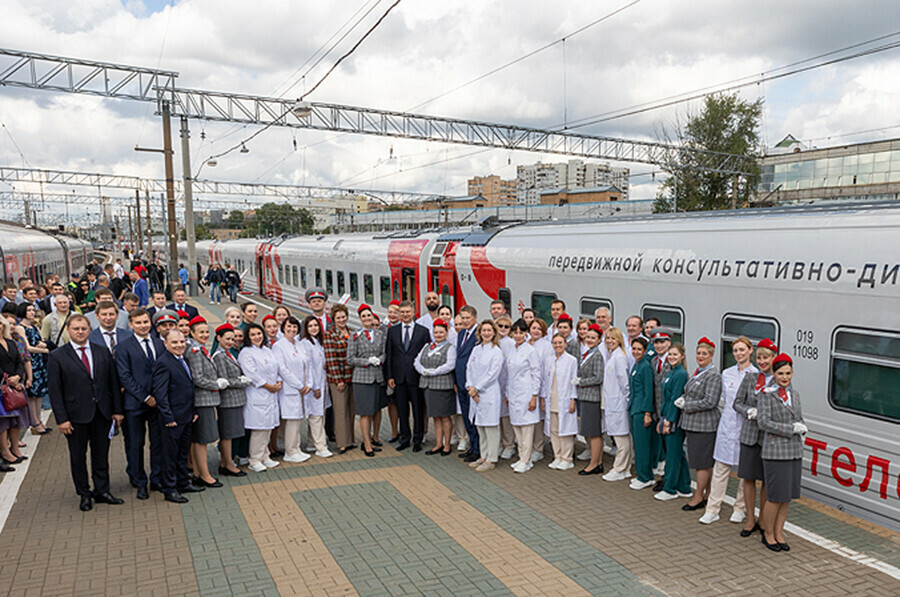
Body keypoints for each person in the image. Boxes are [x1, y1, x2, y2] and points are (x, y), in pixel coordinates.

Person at [47, 314, 124, 511]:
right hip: (75, 416)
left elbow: (112, 382)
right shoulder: (57, 356)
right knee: (78, 456)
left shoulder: (102, 351)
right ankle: (84, 493)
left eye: (83, 328)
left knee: (101, 454)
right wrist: (61, 419)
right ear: (68, 330)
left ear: (90, 329)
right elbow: (55, 391)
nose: (80, 332)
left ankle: (102, 491)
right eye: (76, 329)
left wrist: (117, 410)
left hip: (102, 413)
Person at [700, 336, 756, 525]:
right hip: (727, 426)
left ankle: (739, 508)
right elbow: (724, 399)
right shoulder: (727, 373)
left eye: (742, 350)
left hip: (745, 427)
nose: (739, 354)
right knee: (720, 469)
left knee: (744, 472)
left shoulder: (756, 374)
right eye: (735, 350)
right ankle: (713, 509)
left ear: (750, 351)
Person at [115, 308, 166, 499]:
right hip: (134, 404)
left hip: (158, 404)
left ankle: (157, 478)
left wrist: (158, 396)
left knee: (158, 443)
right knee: (135, 444)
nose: (143, 326)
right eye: (138, 323)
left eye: (145, 322)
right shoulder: (123, 347)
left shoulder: (160, 344)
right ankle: (139, 481)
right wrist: (145, 397)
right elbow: (125, 377)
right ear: (131, 325)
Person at [758, 353, 806, 552]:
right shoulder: (766, 394)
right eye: (780, 373)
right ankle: (768, 534)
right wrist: (790, 429)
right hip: (776, 451)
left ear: (792, 373)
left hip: (794, 450)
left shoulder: (794, 395)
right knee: (775, 496)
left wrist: (801, 426)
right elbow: (763, 422)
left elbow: (799, 417)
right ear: (774, 374)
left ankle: (779, 532)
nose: (784, 377)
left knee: (787, 496)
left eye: (788, 373)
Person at [152, 329, 206, 503]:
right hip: (172, 419)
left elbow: (188, 390)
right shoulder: (163, 363)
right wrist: (168, 417)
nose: (179, 345)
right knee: (170, 455)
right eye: (174, 342)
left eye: (182, 342)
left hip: (186, 416)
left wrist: (193, 411)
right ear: (165, 344)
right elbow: (160, 394)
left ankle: (183, 482)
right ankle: (170, 489)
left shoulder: (184, 359)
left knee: (182, 453)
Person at [733, 338, 778, 538]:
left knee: (767, 481)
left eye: (765, 357)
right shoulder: (750, 378)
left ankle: (764, 520)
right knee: (749, 479)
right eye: (759, 357)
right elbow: (736, 403)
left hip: (770, 437)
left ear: (773, 358)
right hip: (751, 435)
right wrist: (748, 410)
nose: (762, 361)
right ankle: (750, 519)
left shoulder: (780, 380)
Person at [675, 337, 722, 511]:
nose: (700, 356)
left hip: (704, 425)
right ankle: (707, 494)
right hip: (695, 424)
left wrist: (687, 404)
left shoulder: (713, 375)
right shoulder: (699, 372)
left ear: (711, 355)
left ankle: (698, 496)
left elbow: (710, 401)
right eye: (698, 353)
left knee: (701, 463)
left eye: (704, 353)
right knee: (703, 462)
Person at [185, 317, 225, 488]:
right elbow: (197, 378)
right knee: (202, 439)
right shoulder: (194, 351)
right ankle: (204, 475)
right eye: (200, 332)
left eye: (207, 332)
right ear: (192, 333)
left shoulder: (200, 349)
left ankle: (197, 472)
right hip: (202, 400)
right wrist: (216, 384)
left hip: (205, 400)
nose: (205, 335)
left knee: (198, 439)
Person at [385, 301, 431, 451]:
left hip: (416, 377)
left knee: (418, 409)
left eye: (407, 312)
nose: (405, 314)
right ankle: (405, 438)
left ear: (413, 313)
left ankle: (418, 439)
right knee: (402, 410)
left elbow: (426, 354)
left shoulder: (423, 331)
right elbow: (389, 355)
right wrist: (389, 376)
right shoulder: (392, 331)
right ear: (399, 314)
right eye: (402, 312)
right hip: (398, 377)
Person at [239, 323, 282, 472]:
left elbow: (276, 368)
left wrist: (278, 381)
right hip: (258, 394)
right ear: (248, 337)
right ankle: (254, 459)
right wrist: (267, 385)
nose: (257, 337)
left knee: (268, 426)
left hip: (271, 393)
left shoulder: (267, 350)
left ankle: (265, 455)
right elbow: (251, 373)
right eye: (253, 335)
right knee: (259, 429)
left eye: (259, 334)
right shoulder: (246, 352)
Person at [211, 324, 251, 477]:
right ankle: (228, 464)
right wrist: (241, 381)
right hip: (229, 400)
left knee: (232, 433)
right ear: (218, 338)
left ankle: (225, 463)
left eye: (232, 339)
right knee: (228, 434)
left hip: (235, 399)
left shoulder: (228, 353)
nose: (231, 341)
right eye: (227, 338)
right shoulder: (220, 356)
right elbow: (224, 379)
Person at [272, 316, 313, 464]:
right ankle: (290, 451)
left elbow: (307, 364)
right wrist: (299, 385)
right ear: (283, 328)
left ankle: (296, 448)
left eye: (295, 327)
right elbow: (282, 369)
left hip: (303, 389)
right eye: (289, 327)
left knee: (298, 419)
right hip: (291, 389)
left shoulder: (300, 344)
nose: (292, 329)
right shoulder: (278, 346)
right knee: (292, 420)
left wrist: (308, 383)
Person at [465, 319, 504, 472]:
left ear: (494, 332)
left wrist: (477, 389)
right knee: (480, 426)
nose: (486, 333)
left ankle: (491, 459)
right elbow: (469, 368)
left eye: (489, 330)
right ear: (480, 332)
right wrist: (470, 387)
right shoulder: (476, 349)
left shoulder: (496, 351)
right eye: (484, 330)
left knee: (491, 428)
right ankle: (483, 455)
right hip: (475, 394)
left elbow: (492, 374)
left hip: (488, 394)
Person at [347, 305, 386, 457]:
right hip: (362, 378)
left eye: (369, 315)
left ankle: (373, 438)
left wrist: (380, 360)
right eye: (364, 316)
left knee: (376, 410)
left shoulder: (380, 334)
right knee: (365, 412)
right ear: (360, 318)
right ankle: (367, 443)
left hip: (378, 377)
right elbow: (350, 359)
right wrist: (367, 361)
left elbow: (384, 352)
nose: (367, 318)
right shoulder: (355, 336)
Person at [654, 343, 692, 500]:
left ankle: (670, 489)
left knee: (672, 456)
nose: (672, 357)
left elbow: (675, 399)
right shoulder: (671, 372)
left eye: (675, 355)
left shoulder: (680, 374)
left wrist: (669, 421)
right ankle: (684, 487)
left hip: (673, 419)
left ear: (682, 356)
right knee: (678, 454)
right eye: (670, 355)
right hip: (666, 416)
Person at [414, 318, 457, 456]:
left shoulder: (450, 348)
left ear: (446, 332)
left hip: (442, 385)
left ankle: (446, 444)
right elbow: (417, 361)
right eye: (436, 332)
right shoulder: (427, 346)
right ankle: (438, 443)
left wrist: (434, 371)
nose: (438, 334)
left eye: (441, 332)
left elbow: (450, 365)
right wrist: (422, 370)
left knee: (444, 416)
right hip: (428, 385)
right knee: (435, 417)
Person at [504, 319, 542, 473]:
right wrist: (507, 393)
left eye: (521, 332)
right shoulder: (512, 349)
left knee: (526, 428)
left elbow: (536, 374)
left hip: (526, 393)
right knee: (517, 427)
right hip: (513, 393)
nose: (518, 335)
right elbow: (508, 374)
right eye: (516, 332)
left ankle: (526, 460)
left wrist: (534, 396)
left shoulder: (530, 351)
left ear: (526, 333)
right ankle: (521, 457)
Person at [542, 332, 578, 470]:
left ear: (565, 344)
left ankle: (567, 458)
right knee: (554, 429)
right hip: (552, 399)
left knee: (566, 431)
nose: (557, 345)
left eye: (560, 343)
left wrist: (573, 400)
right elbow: (545, 381)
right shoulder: (549, 360)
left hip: (565, 399)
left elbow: (574, 381)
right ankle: (557, 456)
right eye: (555, 343)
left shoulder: (571, 360)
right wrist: (544, 398)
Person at [601, 327, 632, 482]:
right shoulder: (613, 355)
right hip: (614, 403)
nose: (610, 341)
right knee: (620, 436)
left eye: (613, 338)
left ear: (619, 340)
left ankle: (619, 468)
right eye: (608, 338)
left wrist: (625, 402)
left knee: (621, 439)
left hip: (619, 404)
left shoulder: (619, 357)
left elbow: (624, 382)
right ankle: (625, 469)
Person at [14, 303, 51, 435]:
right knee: (32, 394)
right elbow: (27, 347)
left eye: (32, 310)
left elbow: (41, 341)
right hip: (31, 362)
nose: (31, 312)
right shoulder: (20, 328)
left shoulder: (34, 326)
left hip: (39, 362)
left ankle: (39, 420)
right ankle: (34, 422)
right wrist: (45, 350)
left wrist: (43, 346)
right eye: (28, 310)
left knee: (39, 394)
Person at [324, 304, 356, 454]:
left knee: (351, 409)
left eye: (344, 317)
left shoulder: (352, 332)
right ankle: (342, 443)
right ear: (333, 319)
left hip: (352, 377)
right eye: (338, 318)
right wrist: (338, 380)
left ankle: (350, 440)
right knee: (341, 411)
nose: (342, 320)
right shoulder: (330, 335)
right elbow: (331, 359)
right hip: (339, 379)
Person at [298, 316, 331, 457]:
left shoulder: (319, 342)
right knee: (315, 415)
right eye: (310, 326)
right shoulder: (305, 343)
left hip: (323, 383)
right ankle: (321, 447)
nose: (313, 328)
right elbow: (309, 367)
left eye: (316, 325)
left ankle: (312, 443)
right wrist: (315, 386)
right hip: (314, 385)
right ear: (305, 328)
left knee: (319, 414)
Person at [575, 324, 605, 476]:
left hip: (592, 398)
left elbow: (598, 377)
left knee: (593, 432)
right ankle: (597, 462)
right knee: (591, 432)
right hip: (586, 396)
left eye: (593, 338)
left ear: (599, 340)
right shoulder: (588, 353)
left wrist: (580, 381)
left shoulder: (597, 355)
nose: (590, 340)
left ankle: (594, 464)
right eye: (588, 337)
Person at [628, 337, 656, 490]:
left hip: (641, 410)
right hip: (634, 408)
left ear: (645, 351)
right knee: (638, 444)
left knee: (642, 445)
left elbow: (648, 391)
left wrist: (647, 413)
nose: (636, 352)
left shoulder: (645, 366)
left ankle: (645, 477)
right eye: (634, 349)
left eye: (639, 349)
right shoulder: (636, 365)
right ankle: (644, 475)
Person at [454, 306, 480, 462]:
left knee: (474, 418)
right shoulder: (461, 333)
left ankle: (478, 449)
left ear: (475, 318)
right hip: (461, 382)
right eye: (462, 318)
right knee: (466, 417)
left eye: (467, 318)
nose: (464, 321)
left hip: (472, 385)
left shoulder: (479, 335)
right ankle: (472, 446)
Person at [526, 318, 550, 463]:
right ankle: (528, 447)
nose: (535, 331)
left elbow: (545, 370)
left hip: (539, 386)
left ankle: (538, 448)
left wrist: (542, 395)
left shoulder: (546, 346)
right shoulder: (525, 344)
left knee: (538, 421)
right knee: (529, 419)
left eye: (538, 329)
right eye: (533, 328)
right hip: (525, 387)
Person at [495, 315, 516, 460]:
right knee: (496, 416)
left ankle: (509, 445)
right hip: (494, 384)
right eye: (500, 326)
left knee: (506, 417)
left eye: (506, 326)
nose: (502, 329)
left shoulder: (511, 343)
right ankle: (500, 444)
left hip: (507, 383)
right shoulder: (493, 342)